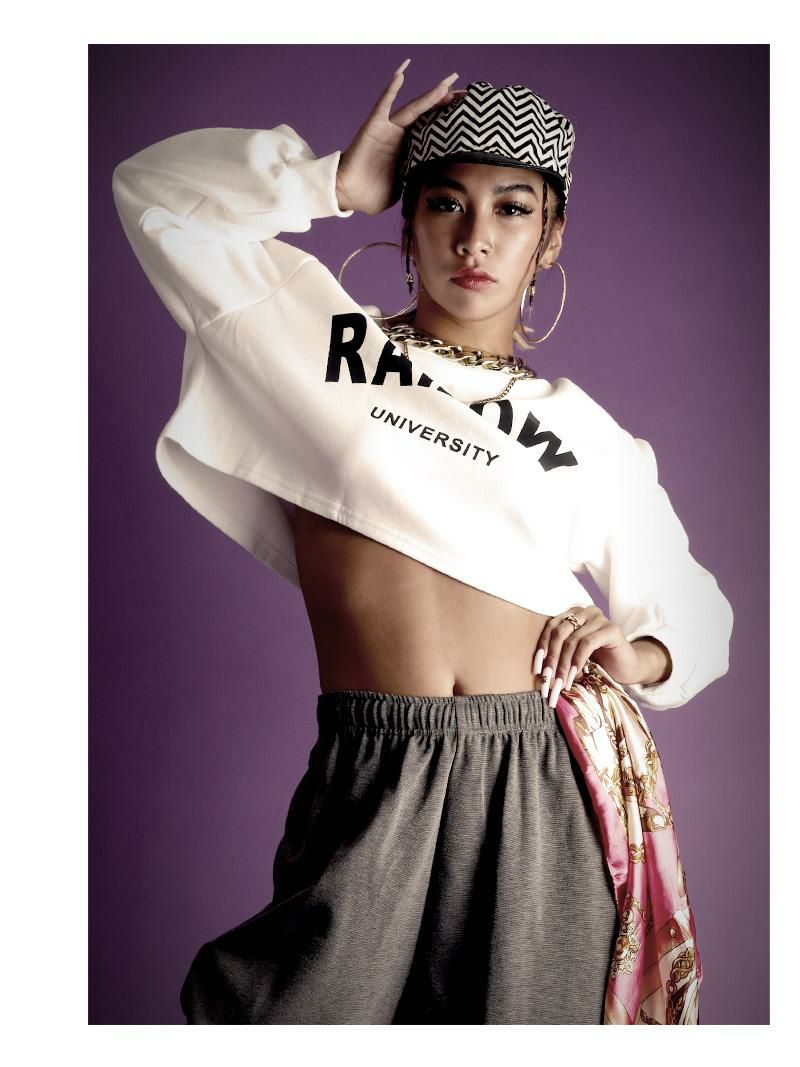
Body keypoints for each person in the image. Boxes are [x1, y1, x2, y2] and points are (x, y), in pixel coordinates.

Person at [112, 62, 733, 1025]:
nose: (475, 237)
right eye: (445, 203)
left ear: (550, 237)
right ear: (407, 225)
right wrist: (330, 181)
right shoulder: (311, 341)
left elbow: (699, 615)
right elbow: (153, 194)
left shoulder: (587, 433)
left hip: (539, 779)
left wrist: (637, 650)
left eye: (512, 209)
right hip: (374, 766)